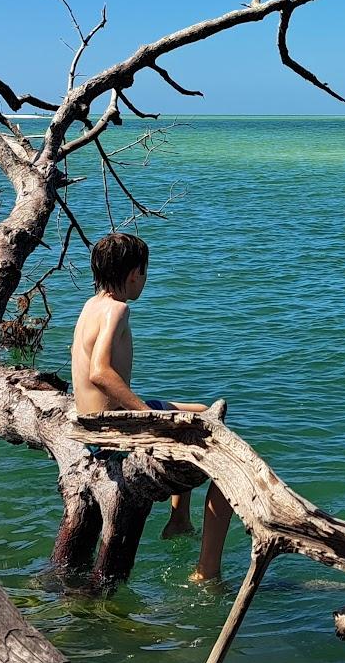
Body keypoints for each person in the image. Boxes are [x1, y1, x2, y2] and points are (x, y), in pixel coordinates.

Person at [72, 233, 232, 582]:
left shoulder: (92, 305)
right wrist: (147, 414)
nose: (144, 280)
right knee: (226, 464)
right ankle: (207, 571)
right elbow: (100, 372)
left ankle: (179, 520)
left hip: (93, 425)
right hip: (114, 431)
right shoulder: (118, 309)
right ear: (134, 274)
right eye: (144, 273)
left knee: (202, 412)